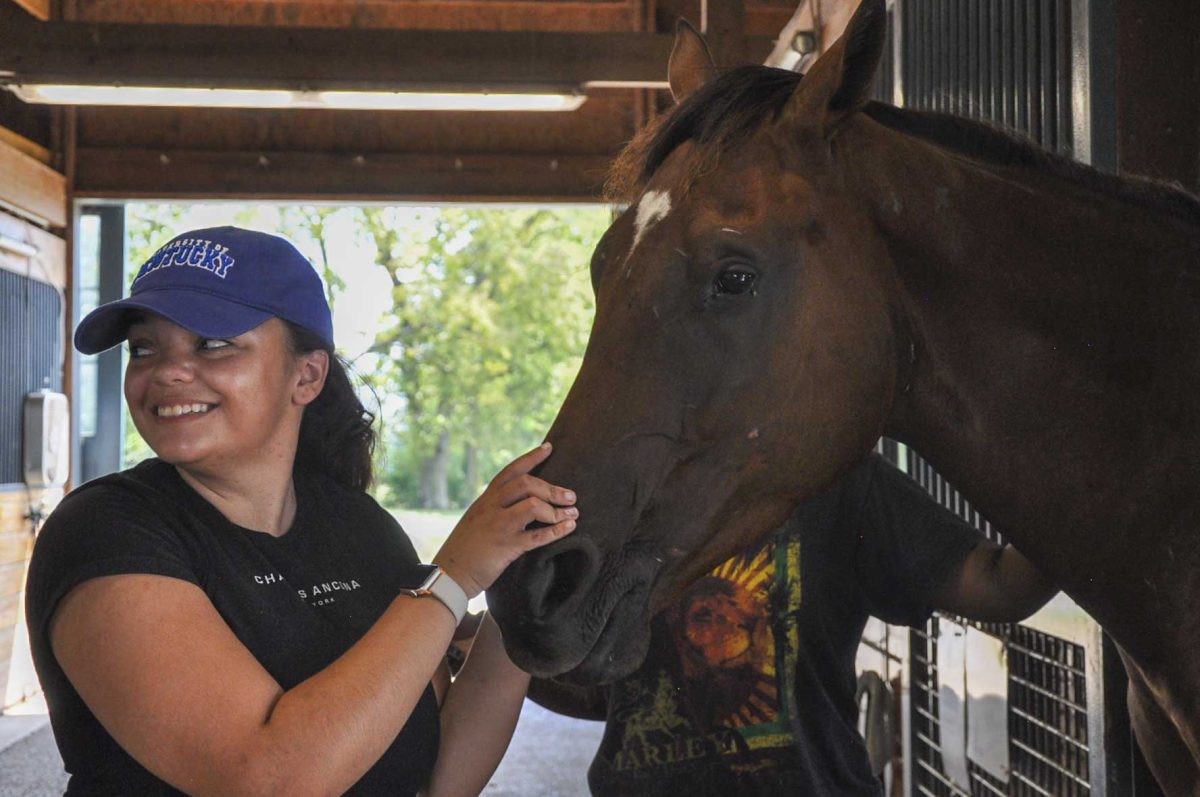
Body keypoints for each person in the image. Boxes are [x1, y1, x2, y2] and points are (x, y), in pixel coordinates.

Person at [25, 226, 580, 796]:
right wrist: (455, 577)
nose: (166, 371)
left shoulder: (362, 530)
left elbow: (435, 780)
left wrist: (521, 602)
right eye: (144, 349)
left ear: (307, 375)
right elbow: (266, 779)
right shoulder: (104, 531)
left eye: (211, 343)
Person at [530, 453, 1058, 796]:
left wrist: (1085, 489)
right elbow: (598, 688)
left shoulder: (834, 481)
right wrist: (460, 621)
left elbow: (997, 585)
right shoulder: (608, 495)